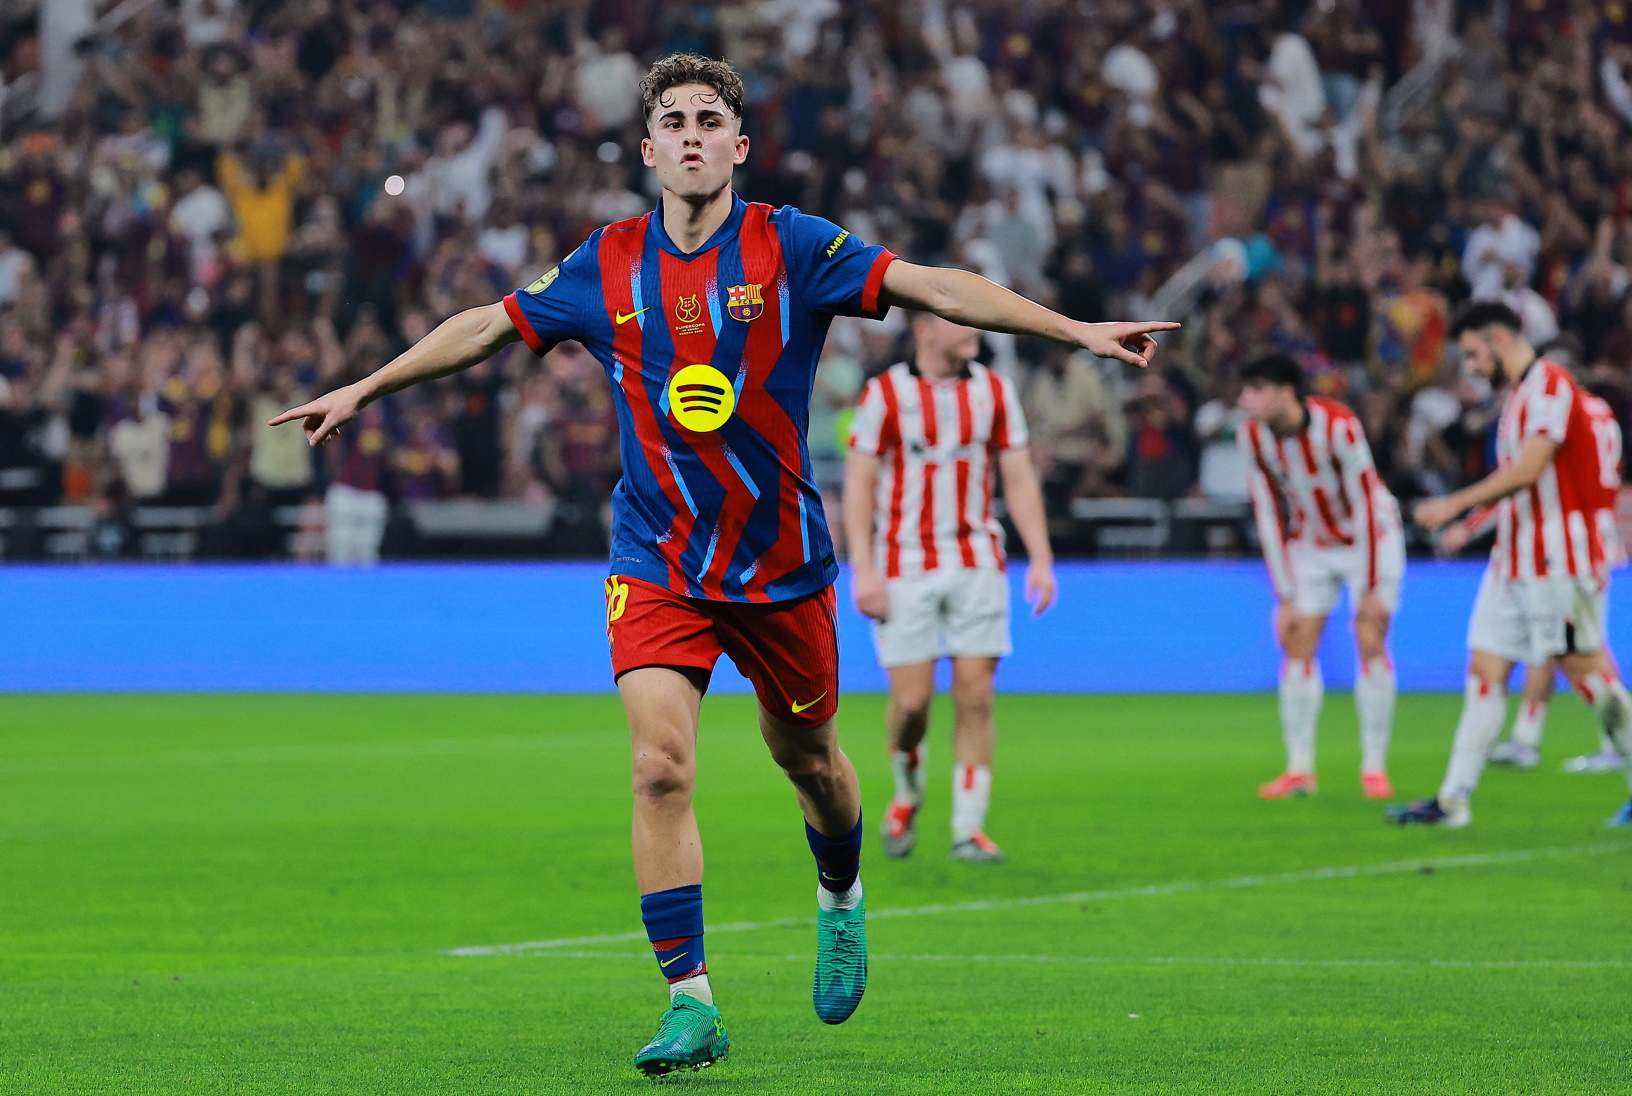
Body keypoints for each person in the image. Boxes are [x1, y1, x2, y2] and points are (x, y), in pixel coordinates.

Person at [269, 54, 1175, 1076]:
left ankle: (841, 896)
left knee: (812, 764)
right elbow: (486, 325)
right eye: (675, 120)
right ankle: (689, 999)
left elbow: (932, 285)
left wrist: (1073, 330)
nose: (692, 135)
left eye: (709, 120)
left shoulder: (793, 246)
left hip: (780, 565)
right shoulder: (606, 263)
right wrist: (364, 387)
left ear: (738, 146)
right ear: (648, 148)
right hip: (656, 557)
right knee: (658, 765)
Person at [1398, 301, 1632, 828]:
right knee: (1485, 668)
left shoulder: (1549, 385)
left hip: (1558, 559)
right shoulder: (1521, 397)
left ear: (1499, 339)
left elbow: (1528, 470)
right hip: (1514, 558)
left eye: (1473, 355)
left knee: (1587, 673)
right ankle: (1453, 799)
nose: (1471, 368)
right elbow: (1520, 484)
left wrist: (1456, 504)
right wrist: (1472, 525)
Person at [843, 311, 1056, 864]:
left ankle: (968, 828)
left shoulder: (995, 391)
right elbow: (859, 483)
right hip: (904, 562)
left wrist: (1040, 557)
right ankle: (907, 790)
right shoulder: (885, 393)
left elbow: (1017, 477)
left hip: (977, 558)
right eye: (959, 321)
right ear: (924, 330)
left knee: (976, 696)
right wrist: (863, 568)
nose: (973, 330)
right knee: (911, 703)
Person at [1439, 368, 1628, 777]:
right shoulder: (1602, 415)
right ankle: (1525, 739)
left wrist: (1466, 521)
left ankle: (1609, 744)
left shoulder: (1559, 416)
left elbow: (1527, 480)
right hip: (1587, 543)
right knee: (1561, 651)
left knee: (1580, 659)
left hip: (1562, 550)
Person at [1237, 352, 1405, 801]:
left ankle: (1374, 768)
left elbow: (1365, 502)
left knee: (1370, 636)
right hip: (1312, 542)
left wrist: (1370, 586)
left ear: (1285, 392)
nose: (1246, 399)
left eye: (1256, 389)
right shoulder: (1252, 436)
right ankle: (1299, 770)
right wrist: (1285, 595)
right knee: (1297, 640)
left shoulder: (1339, 426)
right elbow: (1268, 511)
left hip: (1371, 538)